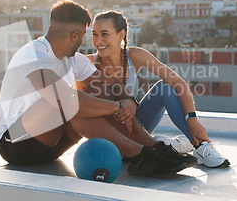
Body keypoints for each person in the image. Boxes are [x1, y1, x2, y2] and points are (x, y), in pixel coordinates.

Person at [0, 0, 194, 178]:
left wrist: (129, 101)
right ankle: (139, 155)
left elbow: (113, 85)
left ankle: (153, 148)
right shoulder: (33, 55)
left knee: (98, 90)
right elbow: (64, 100)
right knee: (67, 100)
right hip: (15, 144)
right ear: (75, 35)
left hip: (53, 146)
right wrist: (117, 108)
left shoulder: (74, 60)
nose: (85, 41)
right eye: (85, 35)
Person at [80, 10, 229, 168]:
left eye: (104, 34)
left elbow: (177, 82)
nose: (98, 41)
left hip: (135, 128)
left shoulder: (134, 56)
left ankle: (201, 147)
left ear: (120, 35)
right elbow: (80, 107)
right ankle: (170, 144)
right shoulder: (86, 64)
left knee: (164, 87)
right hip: (107, 137)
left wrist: (192, 120)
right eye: (95, 34)